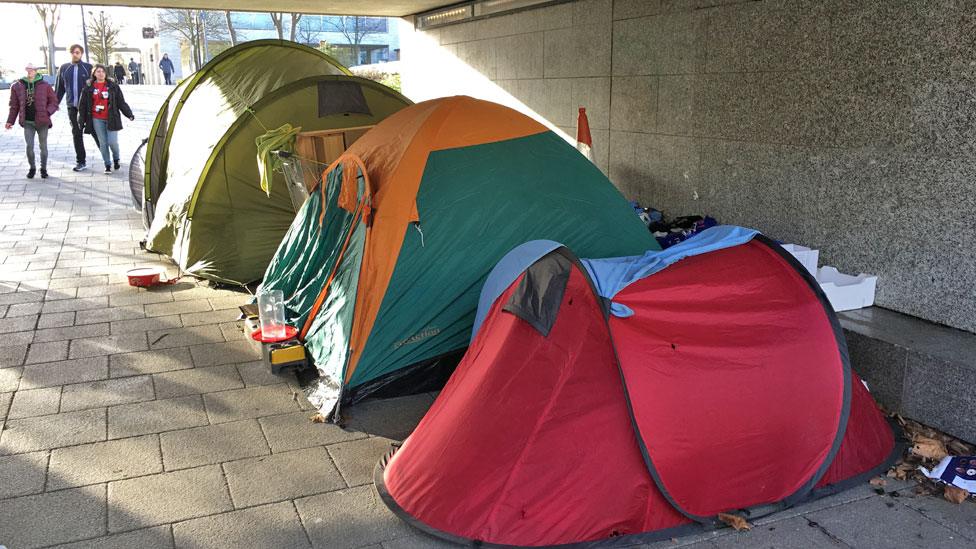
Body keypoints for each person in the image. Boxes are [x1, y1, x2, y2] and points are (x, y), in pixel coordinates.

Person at [78, 64, 134, 174]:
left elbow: (121, 102)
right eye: (98, 71)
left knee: (113, 142)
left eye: (102, 71)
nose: (101, 73)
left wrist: (129, 114)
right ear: (94, 74)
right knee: (103, 143)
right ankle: (107, 164)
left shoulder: (113, 86)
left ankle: (116, 158)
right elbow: (82, 105)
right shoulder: (88, 87)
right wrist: (81, 120)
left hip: (111, 117)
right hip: (96, 118)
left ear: (105, 73)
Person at [5, 63, 58, 179]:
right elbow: (14, 106)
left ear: (35, 70)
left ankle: (43, 169)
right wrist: (10, 121)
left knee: (43, 146)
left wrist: (47, 112)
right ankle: (32, 168)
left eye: (31, 69)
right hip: (27, 122)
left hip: (42, 121)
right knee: (29, 146)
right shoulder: (16, 86)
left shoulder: (45, 85)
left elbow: (54, 102)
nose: (29, 71)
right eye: (27, 69)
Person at [55, 44, 93, 171]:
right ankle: (81, 162)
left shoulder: (88, 68)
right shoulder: (64, 68)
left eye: (77, 52)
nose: (75, 54)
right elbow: (59, 88)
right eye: (73, 52)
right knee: (77, 133)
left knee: (95, 132)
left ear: (81, 53)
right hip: (72, 107)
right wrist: (55, 104)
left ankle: (108, 159)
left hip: (88, 107)